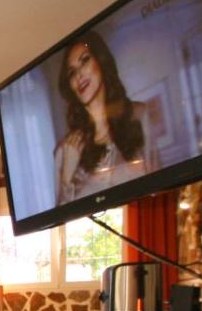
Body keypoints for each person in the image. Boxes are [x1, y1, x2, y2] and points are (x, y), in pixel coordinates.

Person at [53, 30, 157, 203]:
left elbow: (158, 185)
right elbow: (62, 213)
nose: (78, 75)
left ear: (101, 61)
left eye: (85, 60)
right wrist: (66, 178)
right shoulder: (65, 150)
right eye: (71, 73)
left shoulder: (139, 115)